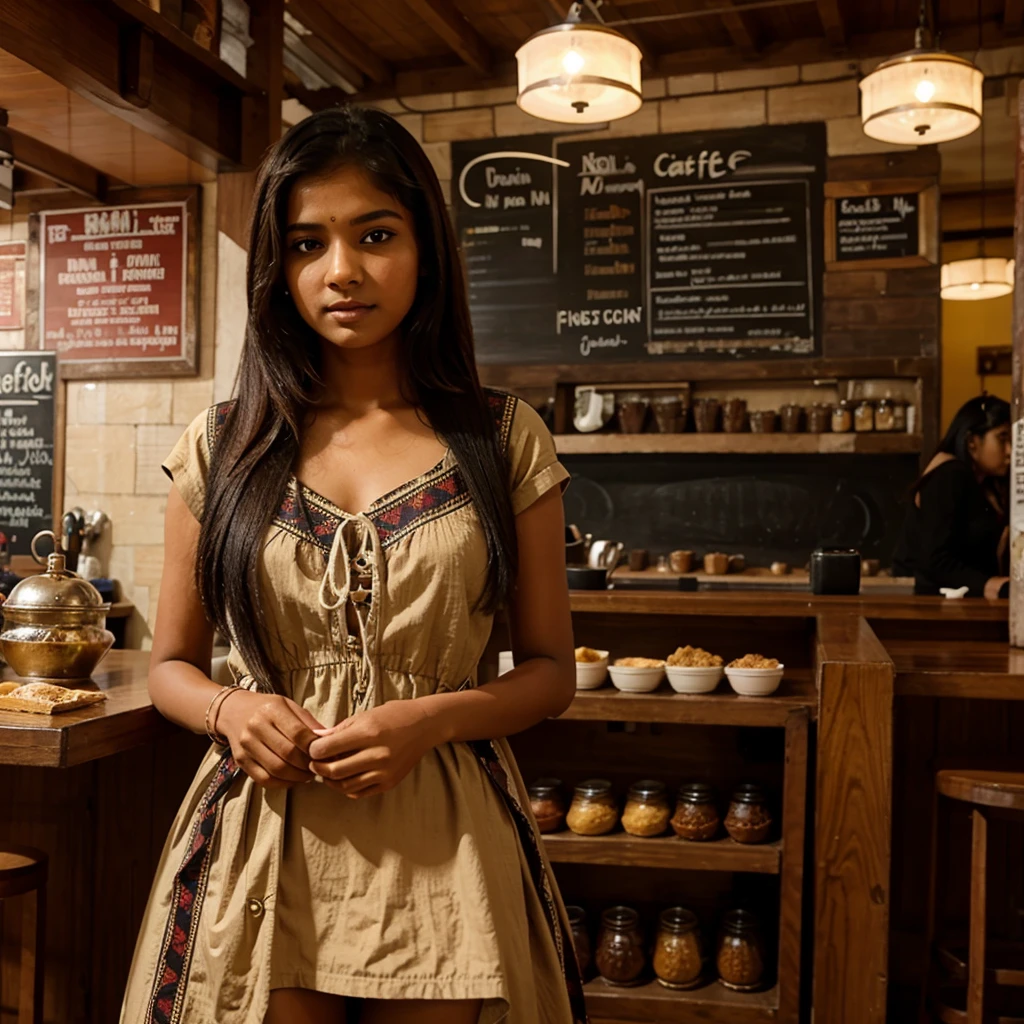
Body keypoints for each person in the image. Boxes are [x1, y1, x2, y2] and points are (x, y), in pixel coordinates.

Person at [119, 106, 586, 1024]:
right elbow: (170, 664)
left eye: (375, 234)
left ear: (426, 247)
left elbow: (551, 673)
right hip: (262, 833)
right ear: (276, 266)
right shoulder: (223, 446)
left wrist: (433, 716)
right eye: (306, 243)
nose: (342, 272)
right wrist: (231, 707)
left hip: (446, 832)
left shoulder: (502, 438)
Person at [893, 395, 1011, 599]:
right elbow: (934, 561)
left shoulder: (987, 483)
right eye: (1002, 438)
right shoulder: (949, 475)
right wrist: (989, 584)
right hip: (926, 605)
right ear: (972, 442)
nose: (1010, 450)